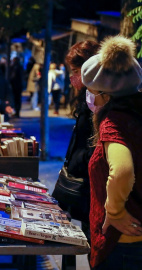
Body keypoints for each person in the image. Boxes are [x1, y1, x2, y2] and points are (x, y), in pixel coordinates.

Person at [81, 35, 142, 270]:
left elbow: (122, 171)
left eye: (92, 92)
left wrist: (114, 211)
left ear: (105, 94)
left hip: (124, 242)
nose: (91, 97)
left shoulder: (115, 121)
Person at [52, 40, 100, 241]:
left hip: (91, 187)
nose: (73, 78)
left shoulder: (99, 101)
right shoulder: (86, 98)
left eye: (75, 71)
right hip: (82, 185)